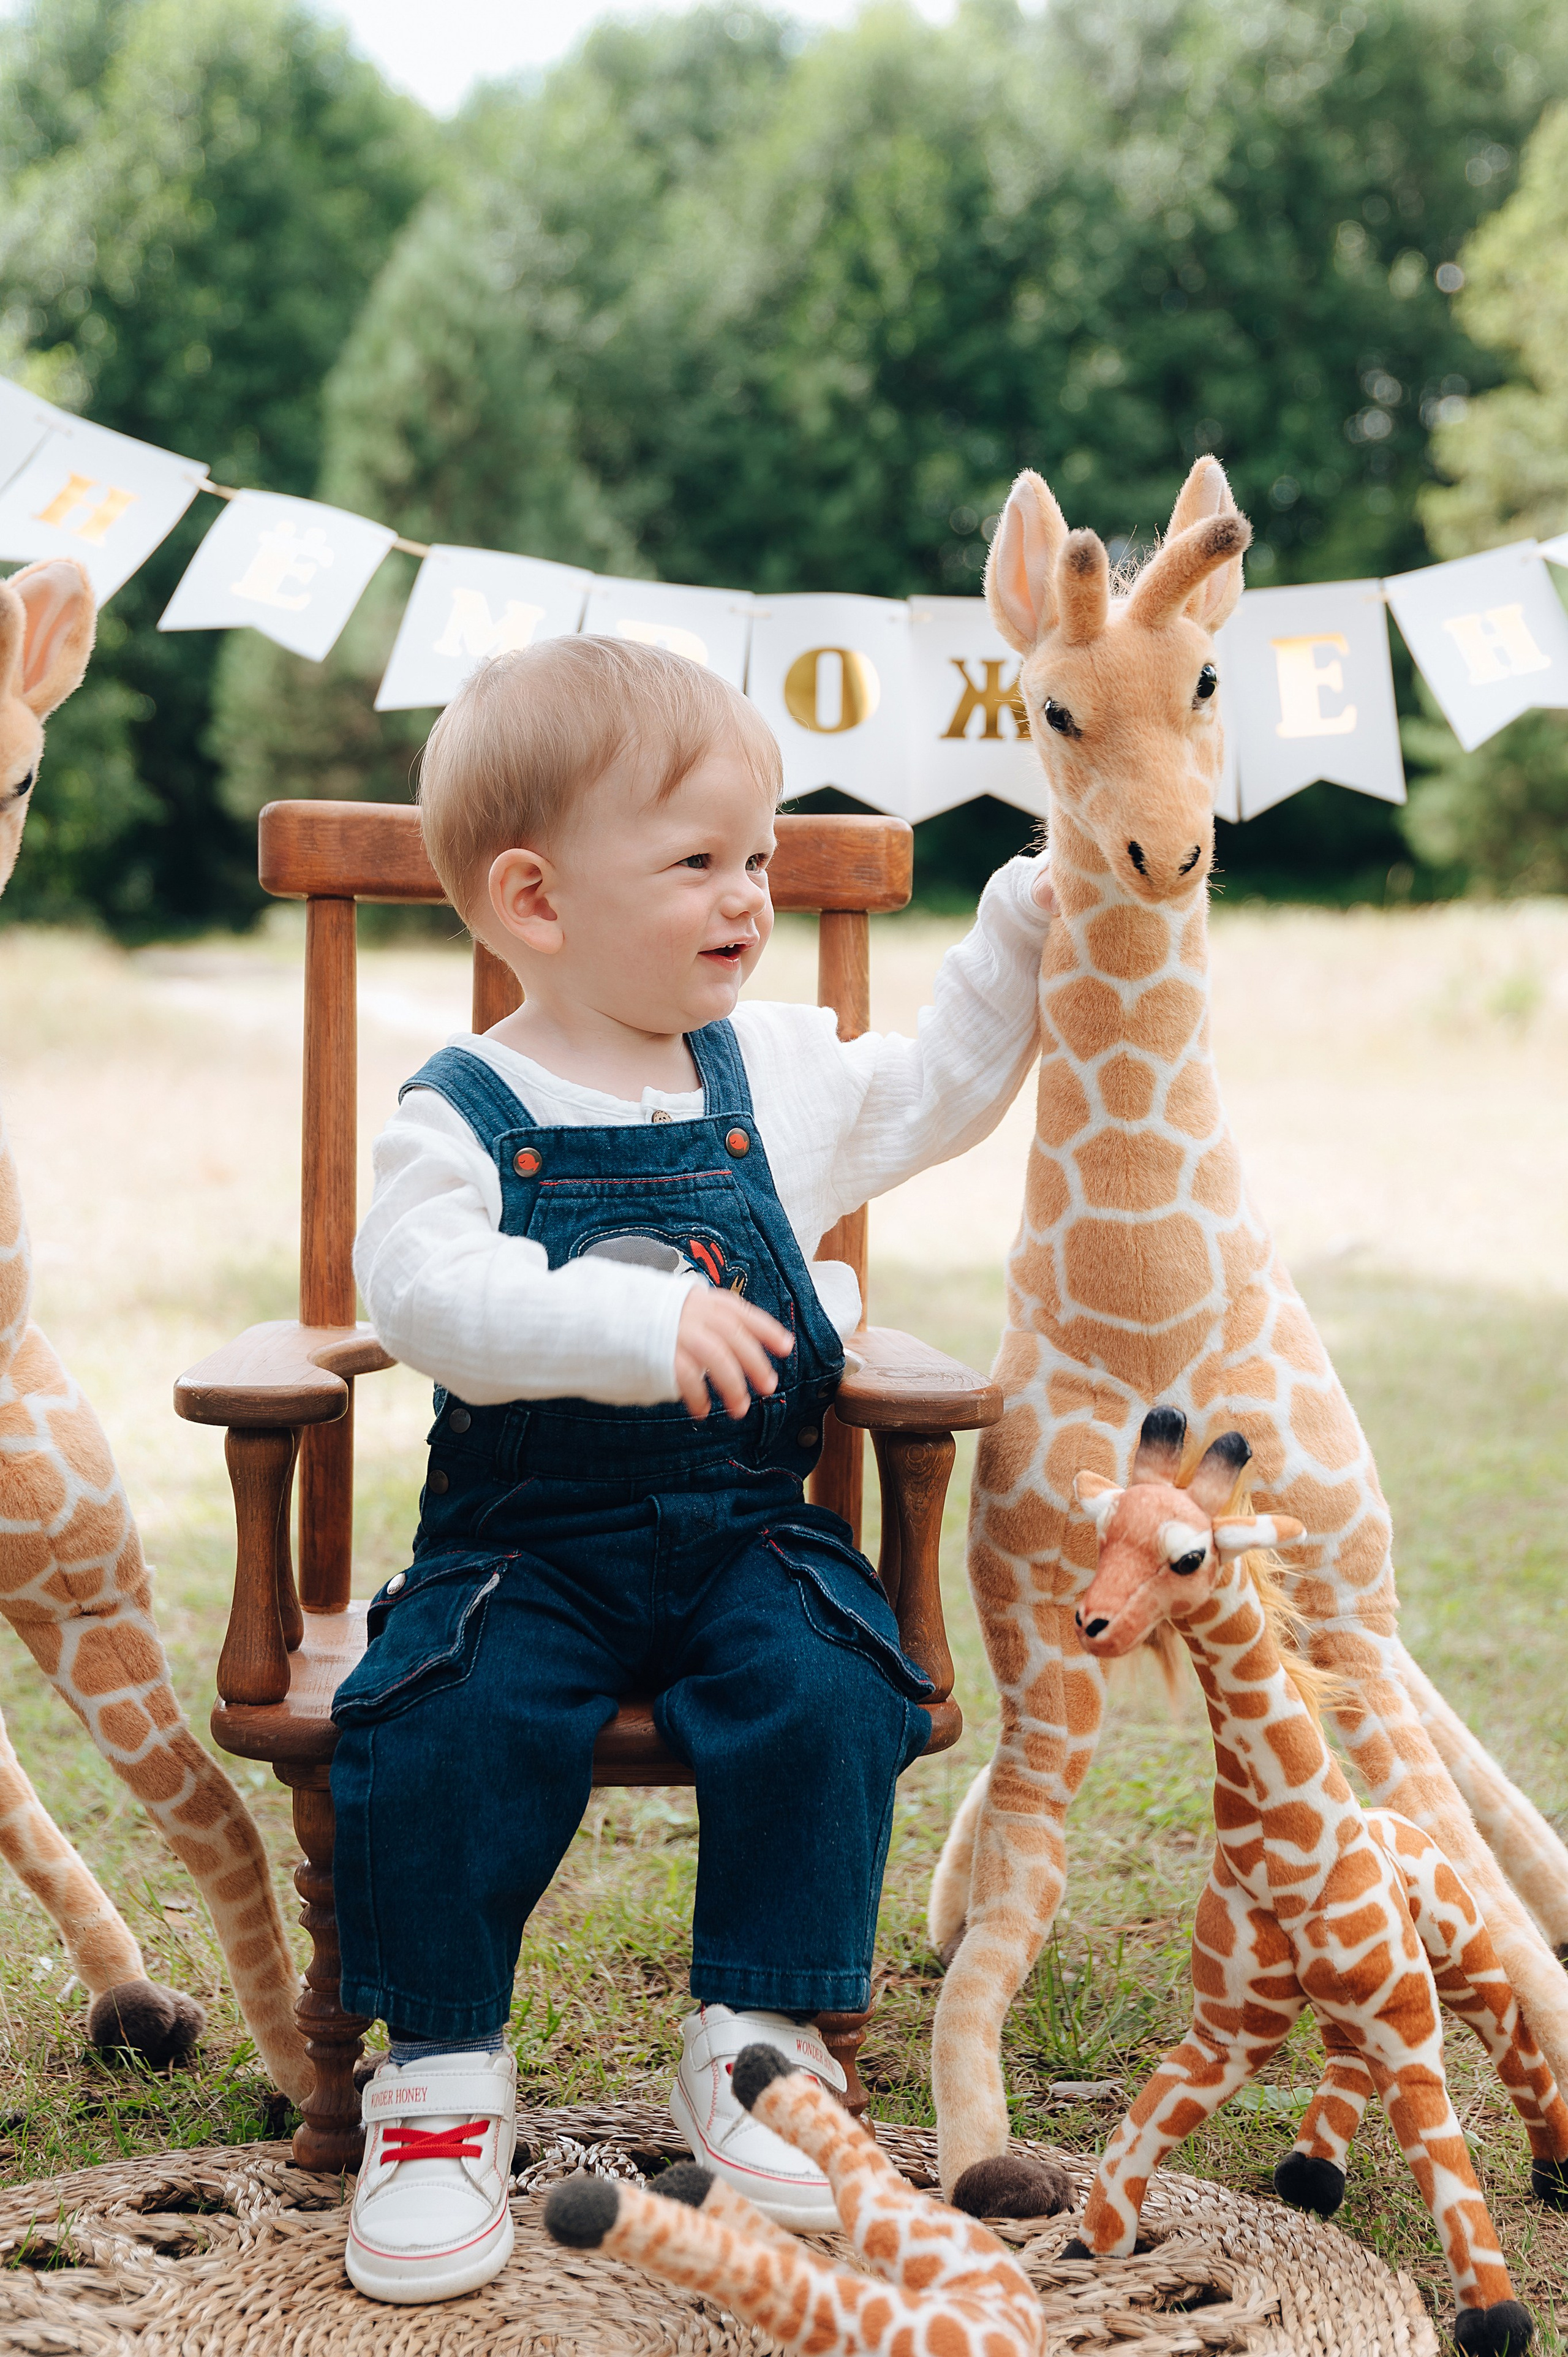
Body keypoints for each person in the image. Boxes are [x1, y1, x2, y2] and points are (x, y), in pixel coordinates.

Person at [334, 635, 1055, 2304]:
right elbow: (423, 1295)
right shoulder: (462, 1108)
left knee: (826, 1678)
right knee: (443, 1719)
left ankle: (753, 2037)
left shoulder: (776, 1071)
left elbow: (936, 1091)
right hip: (528, 1542)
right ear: (535, 899)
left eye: (761, 860)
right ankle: (439, 2080)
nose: (751, 895)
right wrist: (620, 1320)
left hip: (744, 1528)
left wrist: (1019, 925)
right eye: (698, 864)